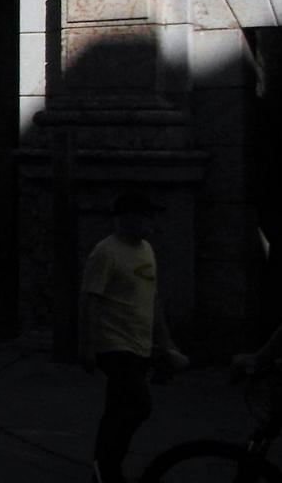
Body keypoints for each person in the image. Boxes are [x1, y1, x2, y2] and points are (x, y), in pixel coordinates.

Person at [80, 191, 190, 483]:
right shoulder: (106, 252)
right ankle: (107, 469)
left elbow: (152, 299)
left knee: (118, 411)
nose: (150, 221)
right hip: (114, 344)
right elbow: (91, 299)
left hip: (139, 344)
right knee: (139, 405)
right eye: (145, 215)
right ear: (128, 218)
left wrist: (166, 344)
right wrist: (88, 345)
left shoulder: (146, 250)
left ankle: (104, 471)